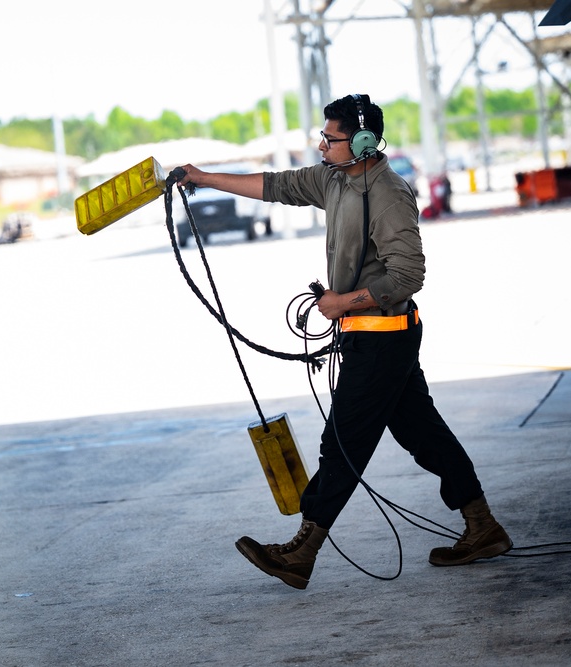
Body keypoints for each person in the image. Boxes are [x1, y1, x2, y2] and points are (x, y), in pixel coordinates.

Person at [177, 93, 511, 590]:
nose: (320, 146)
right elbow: (275, 186)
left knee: (343, 445)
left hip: (384, 340)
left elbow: (409, 273)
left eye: (329, 139)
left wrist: (341, 304)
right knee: (423, 434)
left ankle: (302, 551)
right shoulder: (333, 179)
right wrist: (202, 177)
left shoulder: (389, 194)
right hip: (371, 336)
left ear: (360, 142)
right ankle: (482, 527)